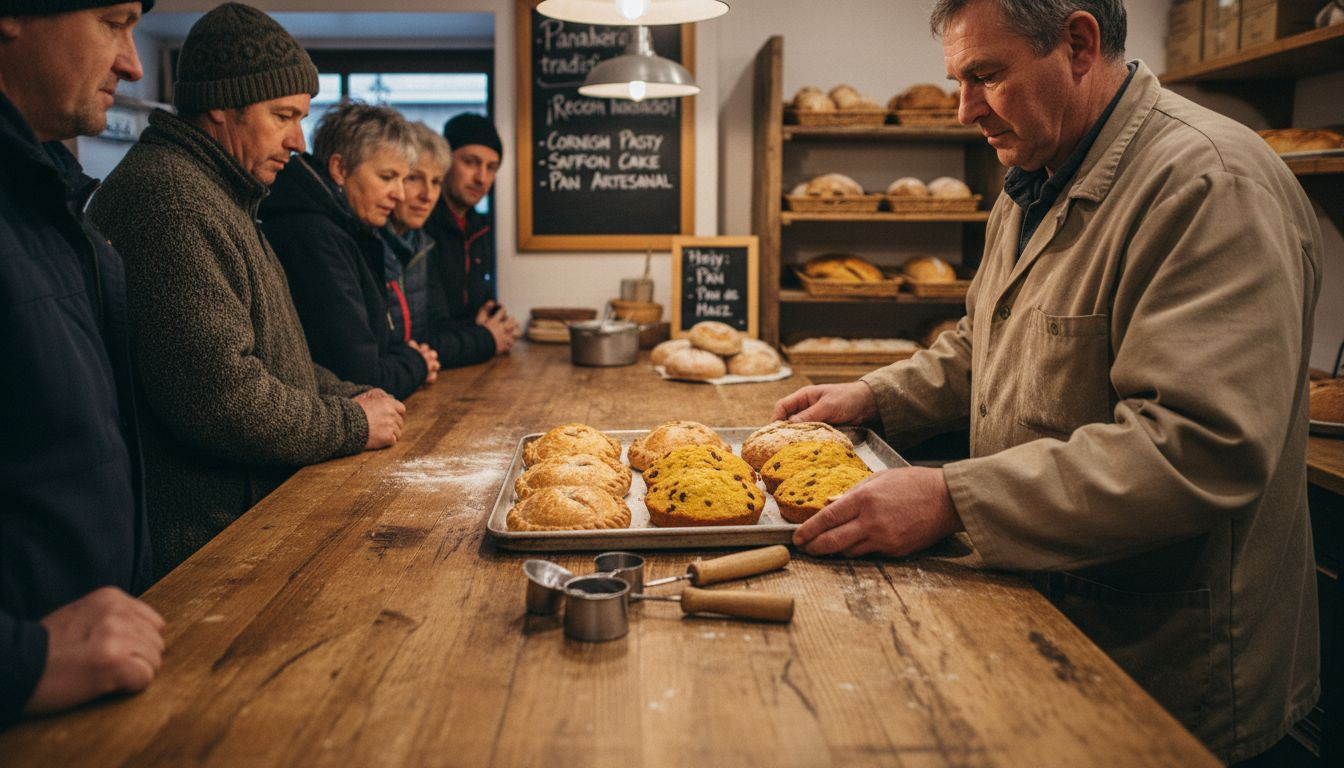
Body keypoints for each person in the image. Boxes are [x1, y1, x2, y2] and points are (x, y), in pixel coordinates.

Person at [772, 0, 1321, 762]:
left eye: (986, 76)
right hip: (1044, 617)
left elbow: (1198, 447)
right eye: (958, 81)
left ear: (1079, 43)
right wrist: (875, 397)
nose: (967, 110)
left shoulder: (1207, 184)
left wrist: (949, 499)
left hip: (1166, 664)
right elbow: (987, 341)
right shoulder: (1035, 172)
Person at [87, 2, 407, 580]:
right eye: (284, 115)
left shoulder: (220, 191)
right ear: (220, 104)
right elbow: (221, 399)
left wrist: (354, 393)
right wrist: (351, 423)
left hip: (240, 530)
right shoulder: (173, 202)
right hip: (204, 556)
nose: (299, 141)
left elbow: (274, 358)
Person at [0, 0, 166, 724]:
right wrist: (22, 660)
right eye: (112, 20)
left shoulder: (49, 201)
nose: (132, 63)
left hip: (106, 670)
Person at [261, 101, 439, 400]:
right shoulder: (315, 236)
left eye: (401, 178)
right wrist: (417, 363)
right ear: (340, 168)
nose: (399, 194)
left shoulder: (351, 227)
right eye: (386, 177)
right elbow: (361, 377)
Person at [421, 112, 520, 361]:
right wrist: (484, 336)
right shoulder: (419, 225)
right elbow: (429, 333)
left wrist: (499, 324)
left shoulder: (479, 227)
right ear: (444, 161)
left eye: (492, 168)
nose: (482, 178)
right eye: (471, 162)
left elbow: (482, 307)